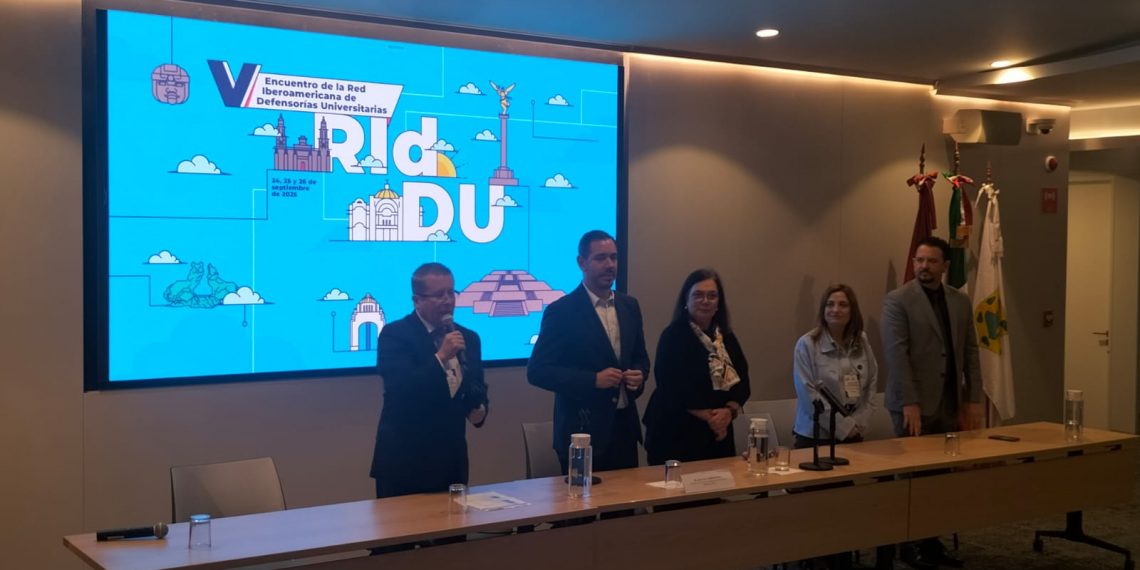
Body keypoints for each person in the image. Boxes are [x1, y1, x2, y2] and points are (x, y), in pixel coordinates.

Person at [880, 236, 983, 570]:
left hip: (949, 402)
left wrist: (974, 399)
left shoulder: (960, 301)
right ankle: (908, 544)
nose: (923, 267)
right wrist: (909, 402)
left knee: (939, 477)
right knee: (912, 478)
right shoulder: (897, 300)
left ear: (945, 266)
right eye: (919, 260)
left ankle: (931, 541)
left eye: (931, 261)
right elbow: (896, 355)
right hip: (912, 406)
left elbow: (970, 351)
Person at [528, 230, 651, 473]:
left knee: (627, 498)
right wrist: (593, 380)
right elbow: (538, 371)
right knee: (582, 498)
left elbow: (640, 357)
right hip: (581, 433)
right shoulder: (562, 311)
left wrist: (639, 374)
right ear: (581, 263)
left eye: (614, 257)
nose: (610, 265)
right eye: (601, 258)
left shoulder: (629, 305)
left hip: (624, 428)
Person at [370, 263, 489, 499]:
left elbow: (476, 387)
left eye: (451, 293)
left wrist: (479, 407)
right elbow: (401, 390)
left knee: (454, 523)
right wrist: (441, 357)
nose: (447, 301)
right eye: (439, 295)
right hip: (404, 464)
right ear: (417, 300)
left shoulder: (468, 338)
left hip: (451, 463)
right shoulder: (394, 335)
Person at [643, 269, 750, 465]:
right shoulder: (673, 336)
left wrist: (729, 412)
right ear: (686, 300)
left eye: (712, 296)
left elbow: (743, 383)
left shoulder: (726, 336)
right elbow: (669, 386)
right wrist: (710, 418)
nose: (705, 301)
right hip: (676, 433)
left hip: (718, 433)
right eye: (698, 295)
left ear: (719, 302)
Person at [792, 284, 878, 448]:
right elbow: (808, 394)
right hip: (816, 437)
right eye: (830, 304)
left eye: (843, 305)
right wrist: (843, 428)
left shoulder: (862, 341)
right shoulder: (807, 344)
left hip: (855, 431)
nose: (835, 310)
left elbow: (871, 386)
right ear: (823, 310)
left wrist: (859, 423)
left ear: (852, 311)